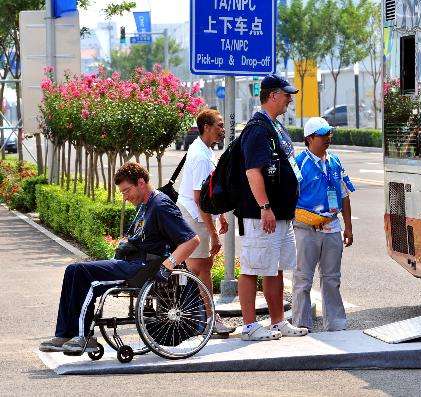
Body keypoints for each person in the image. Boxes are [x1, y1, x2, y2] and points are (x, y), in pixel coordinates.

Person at [39, 162, 200, 353]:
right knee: (73, 270)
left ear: (141, 182)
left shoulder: (161, 205)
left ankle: (84, 337)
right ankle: (65, 334)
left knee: (87, 278)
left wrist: (167, 266)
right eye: (122, 193)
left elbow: (192, 240)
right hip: (131, 262)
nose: (125, 197)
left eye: (126, 191)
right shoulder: (144, 206)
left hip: (144, 267)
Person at [237, 74, 308, 341]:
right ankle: (249, 326)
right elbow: (253, 172)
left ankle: (277, 321)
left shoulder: (274, 126)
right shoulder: (257, 128)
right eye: (287, 94)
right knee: (252, 267)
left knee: (275, 267)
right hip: (261, 214)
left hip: (280, 213)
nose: (290, 99)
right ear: (273, 95)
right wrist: (265, 206)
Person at [292, 117, 355, 332]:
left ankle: (336, 324)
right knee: (303, 279)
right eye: (322, 135)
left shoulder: (335, 162)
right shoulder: (298, 163)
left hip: (332, 228)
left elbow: (345, 195)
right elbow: (290, 198)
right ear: (309, 138)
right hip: (306, 229)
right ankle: (301, 324)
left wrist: (348, 226)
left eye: (329, 133)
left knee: (332, 278)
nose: (328, 138)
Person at [177, 108, 234, 334]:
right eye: (219, 125)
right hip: (194, 215)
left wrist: (220, 215)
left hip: (195, 213)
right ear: (206, 128)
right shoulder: (201, 157)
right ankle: (210, 319)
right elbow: (201, 201)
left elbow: (209, 192)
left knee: (200, 268)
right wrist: (213, 234)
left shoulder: (204, 151)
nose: (222, 130)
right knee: (201, 269)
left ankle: (200, 318)